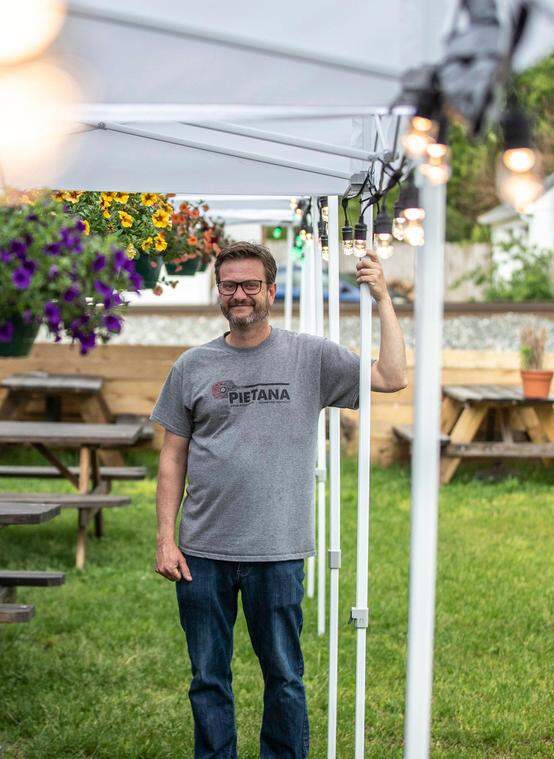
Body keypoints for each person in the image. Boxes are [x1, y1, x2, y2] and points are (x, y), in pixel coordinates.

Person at [151, 241, 407, 758]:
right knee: (207, 678)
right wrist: (165, 539)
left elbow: (391, 377)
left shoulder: (310, 357)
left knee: (285, 678)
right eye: (229, 286)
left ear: (270, 289)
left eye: (249, 285)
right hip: (202, 553)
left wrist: (382, 298)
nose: (239, 295)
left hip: (279, 551)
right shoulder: (193, 365)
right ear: (218, 292)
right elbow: (172, 456)